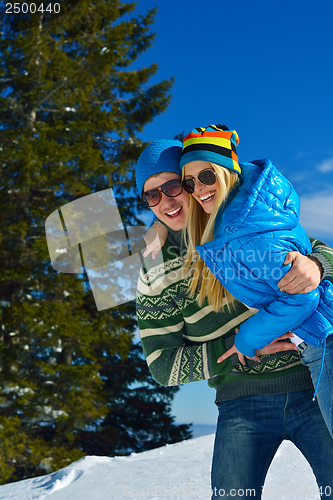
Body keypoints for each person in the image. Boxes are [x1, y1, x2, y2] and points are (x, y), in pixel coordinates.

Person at [135, 139, 333, 499]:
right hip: (243, 402)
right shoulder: (155, 271)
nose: (165, 201)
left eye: (173, 186)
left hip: (313, 387)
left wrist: (317, 266)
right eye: (151, 195)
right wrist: (238, 347)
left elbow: (317, 250)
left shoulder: (243, 221)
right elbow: (161, 365)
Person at [179, 124, 333, 440]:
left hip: (324, 341)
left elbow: (303, 296)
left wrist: (247, 340)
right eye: (189, 182)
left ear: (227, 172)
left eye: (207, 175)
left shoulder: (245, 234)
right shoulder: (252, 216)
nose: (198, 188)